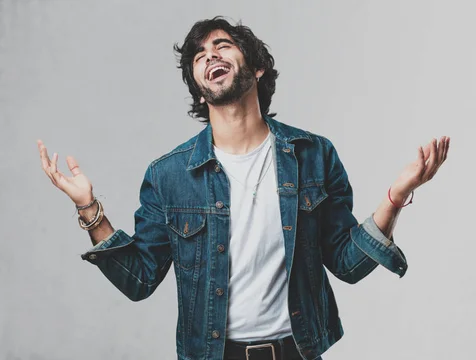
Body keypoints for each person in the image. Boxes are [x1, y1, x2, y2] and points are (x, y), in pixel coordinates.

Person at [37, 16, 450, 360]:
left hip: (298, 351)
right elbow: (139, 280)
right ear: (199, 90)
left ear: (256, 68)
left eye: (222, 46)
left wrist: (395, 196)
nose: (210, 55)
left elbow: (347, 264)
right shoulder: (169, 175)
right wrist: (89, 208)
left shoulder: (314, 155)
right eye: (199, 56)